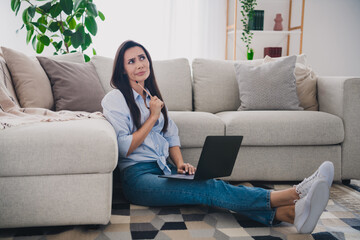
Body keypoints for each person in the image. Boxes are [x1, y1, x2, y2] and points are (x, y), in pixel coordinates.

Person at [101, 40, 335, 234]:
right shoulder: (115, 99)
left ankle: (292, 214)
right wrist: (152, 117)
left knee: (210, 186)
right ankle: (295, 193)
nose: (140, 64)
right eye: (131, 61)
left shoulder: (152, 96)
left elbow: (170, 134)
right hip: (137, 179)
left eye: (142, 57)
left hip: (164, 169)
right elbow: (124, 148)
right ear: (122, 70)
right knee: (208, 189)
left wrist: (180, 163)